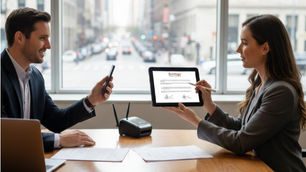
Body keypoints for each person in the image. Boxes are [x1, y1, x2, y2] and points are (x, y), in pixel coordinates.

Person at [164, 14, 306, 171]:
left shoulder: (281, 92)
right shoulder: (260, 83)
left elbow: (241, 142)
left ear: (265, 48)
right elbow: (241, 128)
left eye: (244, 43)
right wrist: (209, 105)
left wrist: (196, 121)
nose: (238, 49)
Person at [1, 8, 113, 152]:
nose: (48, 45)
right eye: (42, 38)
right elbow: (4, 135)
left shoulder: (35, 76)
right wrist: (59, 140)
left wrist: (91, 100)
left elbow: (56, 120)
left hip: (28, 160)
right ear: (20, 38)